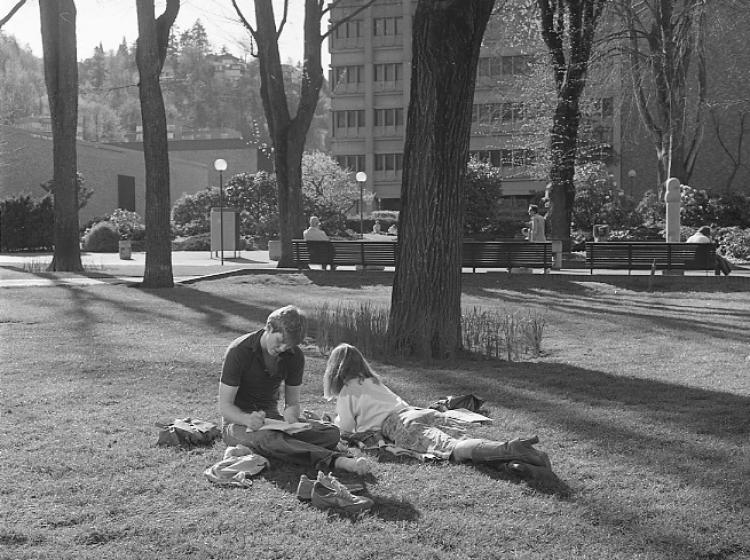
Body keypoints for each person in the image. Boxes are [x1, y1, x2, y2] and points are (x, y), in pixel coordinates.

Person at [322, 343, 553, 479]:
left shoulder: (347, 391)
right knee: (464, 441)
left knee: (453, 450)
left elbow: (346, 429)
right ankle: (515, 465)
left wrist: (334, 419)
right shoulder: (372, 381)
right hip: (418, 412)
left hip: (401, 424)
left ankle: (509, 448)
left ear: (335, 370)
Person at [219, 306, 369, 475]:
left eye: (288, 345)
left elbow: (292, 402)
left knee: (331, 433)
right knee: (268, 438)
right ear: (268, 328)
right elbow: (225, 407)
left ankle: (284, 446)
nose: (283, 348)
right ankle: (335, 460)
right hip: (237, 424)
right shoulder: (238, 351)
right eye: (279, 341)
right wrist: (246, 419)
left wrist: (291, 415)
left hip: (273, 420)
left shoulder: (295, 355)